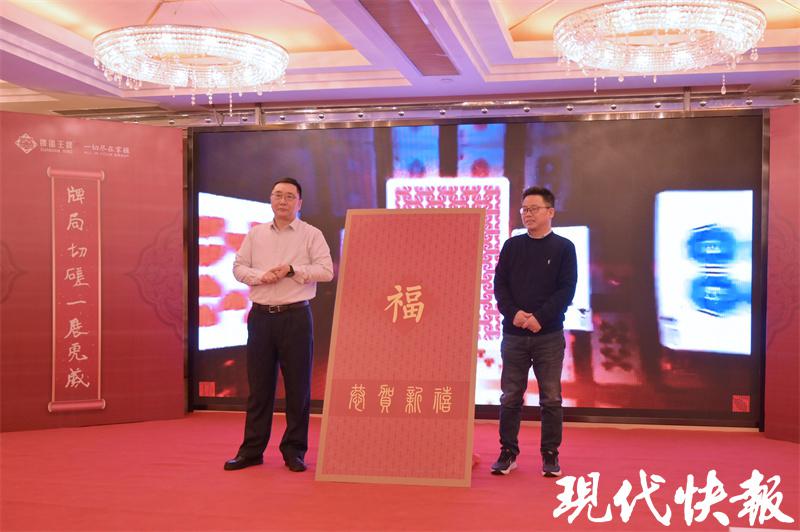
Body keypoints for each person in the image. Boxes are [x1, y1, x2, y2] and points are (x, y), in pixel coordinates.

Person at [224, 177, 333, 473]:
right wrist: (261, 277)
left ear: (299, 203)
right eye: (277, 195)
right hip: (261, 317)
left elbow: (326, 271)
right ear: (270, 199)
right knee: (259, 387)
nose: (282, 201)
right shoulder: (256, 233)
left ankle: (294, 451)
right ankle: (251, 450)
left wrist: (292, 270)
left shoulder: (311, 234)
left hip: (295, 317)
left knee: (298, 388)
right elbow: (238, 268)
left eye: (289, 196)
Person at [491, 186, 577, 477]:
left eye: (534, 209)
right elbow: (500, 285)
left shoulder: (564, 248)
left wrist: (540, 317)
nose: (527, 214)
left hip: (548, 335)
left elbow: (566, 290)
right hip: (514, 334)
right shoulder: (512, 246)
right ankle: (508, 452)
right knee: (510, 396)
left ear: (550, 212)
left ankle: (550, 455)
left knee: (551, 398)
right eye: (524, 209)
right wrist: (514, 314)